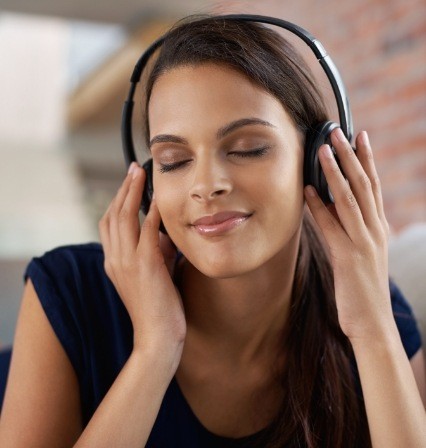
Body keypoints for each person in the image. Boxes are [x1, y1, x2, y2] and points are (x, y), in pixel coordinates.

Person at [0, 14, 425, 448]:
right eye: (174, 161)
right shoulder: (69, 291)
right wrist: (155, 349)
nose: (206, 185)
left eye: (247, 148)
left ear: (318, 162)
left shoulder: (370, 304)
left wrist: (373, 329)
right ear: (149, 183)